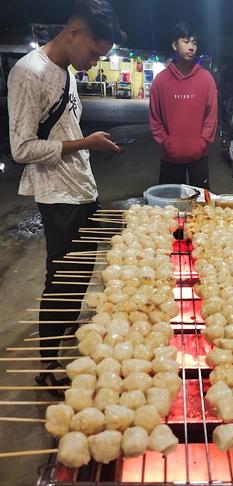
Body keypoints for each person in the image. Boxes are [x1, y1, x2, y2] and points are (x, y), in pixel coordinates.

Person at [7, 0, 124, 392]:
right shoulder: (29, 72)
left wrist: (86, 146)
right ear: (73, 31)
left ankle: (64, 332)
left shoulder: (68, 72)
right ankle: (47, 366)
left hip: (81, 188)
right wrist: (85, 142)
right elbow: (22, 148)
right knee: (61, 282)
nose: (95, 62)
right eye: (94, 52)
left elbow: (63, 129)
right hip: (57, 195)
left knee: (78, 278)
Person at [149, 22, 218, 189]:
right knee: (170, 207)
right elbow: (154, 118)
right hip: (170, 156)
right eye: (186, 41)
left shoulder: (206, 79)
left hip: (199, 156)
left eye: (194, 42)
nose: (191, 47)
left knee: (200, 206)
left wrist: (202, 142)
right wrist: (166, 142)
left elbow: (211, 116)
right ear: (174, 44)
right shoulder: (161, 80)